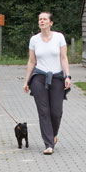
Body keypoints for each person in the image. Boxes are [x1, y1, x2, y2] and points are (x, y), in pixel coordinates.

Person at [23, 12, 71, 155]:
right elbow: (32, 61)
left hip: (56, 77)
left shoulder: (59, 37)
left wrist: (67, 75)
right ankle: (49, 144)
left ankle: (53, 134)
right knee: (43, 112)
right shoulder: (34, 40)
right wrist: (26, 80)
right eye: (40, 19)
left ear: (51, 23)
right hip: (39, 77)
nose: (42, 21)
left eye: (44, 19)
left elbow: (64, 58)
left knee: (56, 112)